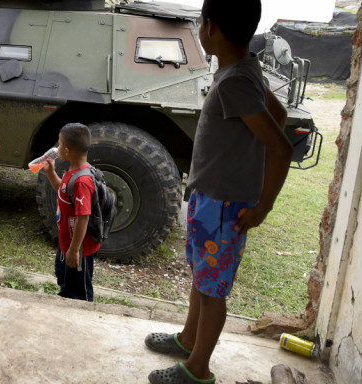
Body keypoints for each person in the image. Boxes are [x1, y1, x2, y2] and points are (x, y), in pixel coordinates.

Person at [145, 1, 292, 383]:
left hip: (224, 208)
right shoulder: (242, 69)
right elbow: (279, 116)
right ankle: (187, 339)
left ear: (211, 28)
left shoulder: (236, 81)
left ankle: (198, 369)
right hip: (212, 200)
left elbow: (280, 146)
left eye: (199, 24)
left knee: (212, 293)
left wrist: (262, 207)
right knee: (202, 279)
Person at [41, 123, 99, 302]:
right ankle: (65, 298)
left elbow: (83, 217)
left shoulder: (82, 181)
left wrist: (74, 250)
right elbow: (64, 191)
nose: (57, 148)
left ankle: (82, 314)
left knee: (79, 289)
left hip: (79, 247)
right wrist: (51, 173)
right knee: (63, 275)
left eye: (59, 144)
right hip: (67, 241)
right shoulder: (72, 171)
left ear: (66, 151)